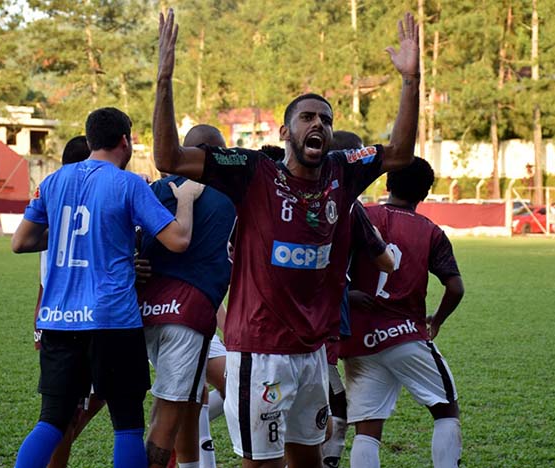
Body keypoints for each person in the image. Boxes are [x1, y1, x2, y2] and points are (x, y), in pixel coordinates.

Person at [152, 9, 420, 468]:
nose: (317, 124)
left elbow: (399, 153)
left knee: (309, 461)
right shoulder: (254, 172)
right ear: (285, 131)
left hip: (313, 354)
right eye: (307, 118)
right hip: (261, 354)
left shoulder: (342, 171)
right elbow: (168, 157)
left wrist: (411, 82)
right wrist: (164, 80)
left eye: (325, 119)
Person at [11, 107, 200, 468]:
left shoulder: (52, 181)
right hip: (112, 320)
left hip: (58, 321)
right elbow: (177, 240)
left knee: (51, 420)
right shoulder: (126, 182)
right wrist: (186, 203)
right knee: (127, 424)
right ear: (125, 141)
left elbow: (21, 242)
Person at [340, 158, 464, 468]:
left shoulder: (360, 216)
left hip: (358, 340)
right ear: (424, 194)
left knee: (367, 430)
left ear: (386, 184)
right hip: (404, 335)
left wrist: (346, 297)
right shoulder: (430, 231)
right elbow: (456, 288)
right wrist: (437, 319)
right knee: (446, 409)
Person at [137, 124, 236, 468]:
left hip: (145, 313)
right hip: (187, 316)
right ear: (212, 154)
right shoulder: (231, 195)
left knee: (189, 404)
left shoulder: (152, 190)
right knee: (167, 417)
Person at [29, 135, 107, 468]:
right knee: (62, 415)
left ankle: (54, 448)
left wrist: (37, 317)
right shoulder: (80, 202)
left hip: (54, 315)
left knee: (72, 409)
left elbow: (42, 270)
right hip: (77, 319)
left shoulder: (56, 196)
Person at [322, 131, 396, 468]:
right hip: (322, 315)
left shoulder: (287, 193)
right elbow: (386, 262)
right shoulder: (350, 205)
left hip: (280, 312)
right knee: (332, 401)